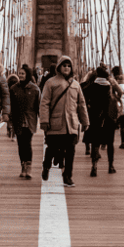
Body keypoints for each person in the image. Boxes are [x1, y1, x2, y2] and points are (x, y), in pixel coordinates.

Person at [38, 56, 88, 187]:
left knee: (70, 151)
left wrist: (85, 121)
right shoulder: (51, 83)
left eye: (69, 66)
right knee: (52, 148)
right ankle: (46, 165)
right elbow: (44, 103)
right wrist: (44, 120)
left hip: (71, 124)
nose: (66, 68)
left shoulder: (76, 85)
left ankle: (68, 176)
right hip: (55, 123)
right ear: (59, 67)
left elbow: (81, 104)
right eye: (64, 65)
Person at [83, 64, 119, 176]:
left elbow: (83, 97)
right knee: (110, 143)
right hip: (109, 118)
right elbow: (118, 96)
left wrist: (89, 106)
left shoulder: (91, 87)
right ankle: (110, 166)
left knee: (95, 143)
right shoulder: (110, 86)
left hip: (95, 118)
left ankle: (94, 167)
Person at [10, 64, 41, 178]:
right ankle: (23, 165)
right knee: (20, 144)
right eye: (19, 73)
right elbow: (11, 106)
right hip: (18, 121)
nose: (20, 75)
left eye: (23, 73)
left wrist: (43, 120)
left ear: (27, 74)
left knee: (27, 143)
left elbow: (39, 106)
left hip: (29, 121)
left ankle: (28, 167)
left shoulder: (34, 89)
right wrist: (9, 119)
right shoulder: (14, 89)